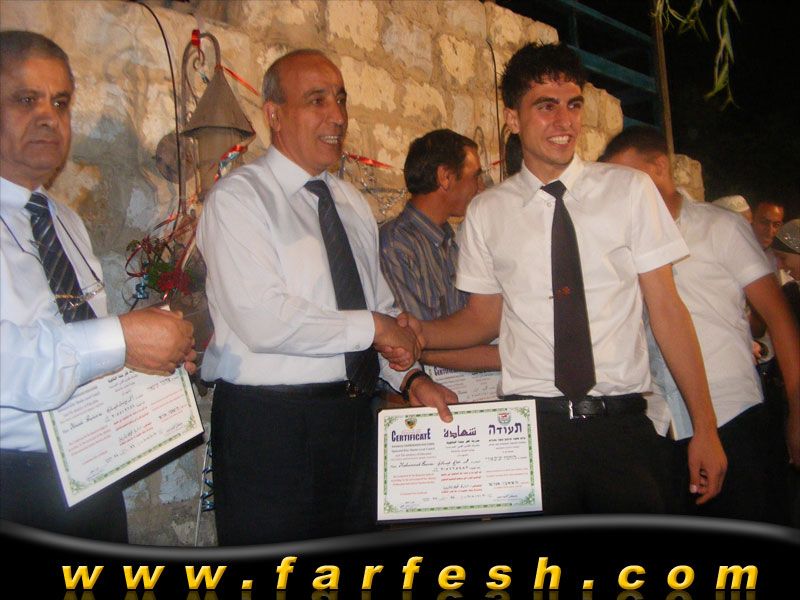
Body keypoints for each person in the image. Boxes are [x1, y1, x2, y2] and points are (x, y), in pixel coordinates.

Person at [402, 42, 726, 515]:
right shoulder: (488, 212)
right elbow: (482, 318)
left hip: (622, 427)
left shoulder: (629, 191)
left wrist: (705, 427)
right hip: (532, 433)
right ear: (512, 118)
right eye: (546, 106)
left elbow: (668, 311)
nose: (564, 121)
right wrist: (419, 333)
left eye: (573, 105)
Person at [196, 49, 457, 545]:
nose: (337, 116)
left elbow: (378, 309)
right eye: (317, 100)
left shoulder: (351, 205)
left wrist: (411, 377)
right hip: (271, 428)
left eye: (340, 99)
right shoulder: (239, 199)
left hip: (355, 422)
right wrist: (376, 327)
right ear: (274, 114)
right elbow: (264, 319)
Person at [0, 30, 197, 542]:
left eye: (60, 102)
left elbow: (81, 343)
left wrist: (149, 360)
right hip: (11, 479)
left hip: (89, 472)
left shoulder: (64, 220)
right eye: (26, 99)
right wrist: (124, 338)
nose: (48, 117)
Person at [601, 125, 800, 522]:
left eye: (628, 177)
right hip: (660, 421)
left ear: (660, 167)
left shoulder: (720, 228)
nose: (622, 191)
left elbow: (779, 320)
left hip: (732, 413)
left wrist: (797, 407)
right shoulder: (618, 244)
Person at [379, 128, 500, 374]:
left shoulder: (450, 240)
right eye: (475, 176)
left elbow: (472, 324)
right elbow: (411, 342)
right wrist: (506, 359)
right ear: (445, 177)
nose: (480, 188)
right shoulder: (396, 243)